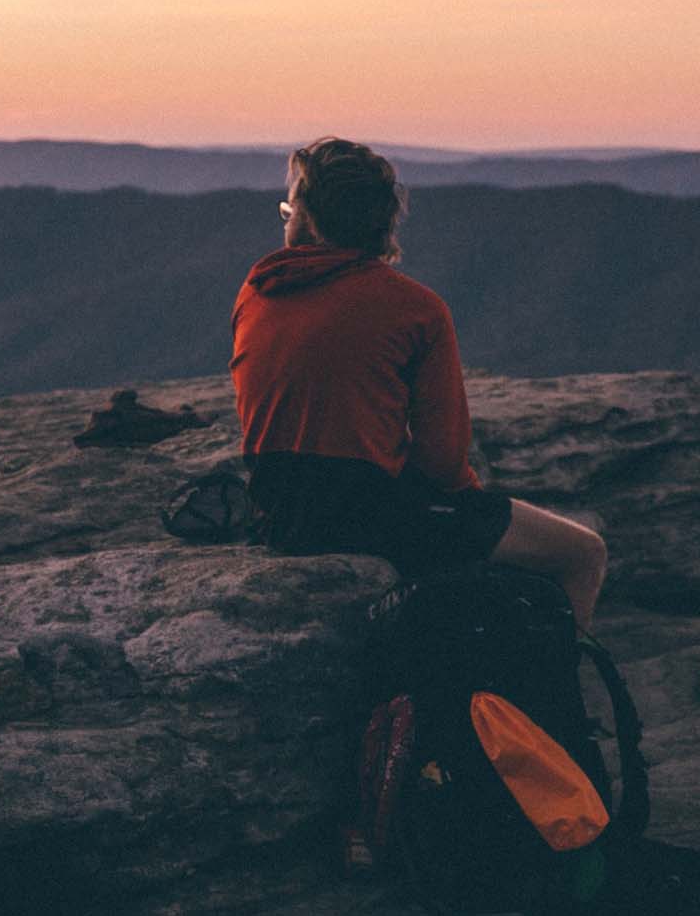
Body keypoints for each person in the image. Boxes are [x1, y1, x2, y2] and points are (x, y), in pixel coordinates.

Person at [229, 136, 608, 631]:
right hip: (363, 519)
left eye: (288, 210)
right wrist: (468, 509)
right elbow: (444, 459)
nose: (287, 222)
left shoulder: (257, 291)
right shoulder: (415, 309)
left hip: (275, 510)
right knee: (583, 552)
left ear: (310, 221)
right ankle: (556, 698)